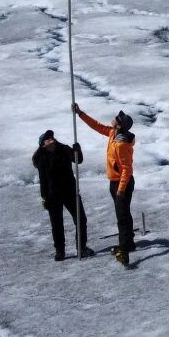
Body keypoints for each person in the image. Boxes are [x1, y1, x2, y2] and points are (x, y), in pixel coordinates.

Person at [73, 103, 136, 267]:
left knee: (122, 217)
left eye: (117, 119)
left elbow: (127, 170)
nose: (114, 119)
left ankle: (124, 251)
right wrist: (80, 113)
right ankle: (129, 243)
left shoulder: (122, 145)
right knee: (124, 214)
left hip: (122, 184)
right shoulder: (112, 134)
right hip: (115, 183)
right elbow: (96, 126)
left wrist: (121, 190)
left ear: (120, 125)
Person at [32, 129, 93, 261]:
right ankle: (60, 251)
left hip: (70, 192)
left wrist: (77, 150)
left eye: (51, 137)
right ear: (43, 144)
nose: (51, 139)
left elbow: (78, 160)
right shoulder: (41, 158)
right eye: (47, 138)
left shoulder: (63, 149)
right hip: (52, 195)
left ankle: (81, 248)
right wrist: (44, 198)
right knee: (57, 224)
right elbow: (43, 180)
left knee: (81, 219)